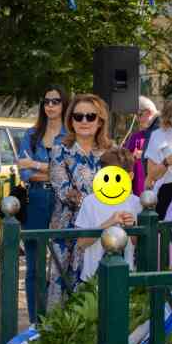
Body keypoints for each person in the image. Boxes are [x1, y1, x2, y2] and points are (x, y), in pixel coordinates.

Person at [46, 93, 111, 308]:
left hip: (103, 230)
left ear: (100, 121)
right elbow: (63, 191)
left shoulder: (111, 152)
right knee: (60, 295)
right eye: (78, 116)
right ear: (70, 120)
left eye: (90, 116)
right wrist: (95, 201)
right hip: (67, 231)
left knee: (96, 292)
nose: (84, 121)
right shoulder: (60, 150)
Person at [16, 85, 67, 322]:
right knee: (34, 267)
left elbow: (69, 171)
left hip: (64, 201)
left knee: (63, 261)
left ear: (64, 103)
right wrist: (53, 171)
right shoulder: (31, 135)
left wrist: (35, 165)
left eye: (55, 101)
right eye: (46, 101)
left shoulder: (71, 133)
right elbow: (24, 174)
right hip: (36, 199)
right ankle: (36, 321)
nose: (50, 106)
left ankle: (60, 319)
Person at [74, 148, 142, 281]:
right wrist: (108, 224)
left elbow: (138, 243)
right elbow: (81, 243)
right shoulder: (90, 202)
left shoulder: (136, 202)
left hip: (126, 276)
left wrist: (132, 227)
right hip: (92, 278)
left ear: (130, 176)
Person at [122, 96, 159, 197]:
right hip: (138, 193)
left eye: (139, 115)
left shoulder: (161, 133)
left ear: (148, 112)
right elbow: (124, 159)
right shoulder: (136, 137)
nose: (138, 119)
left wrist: (143, 154)